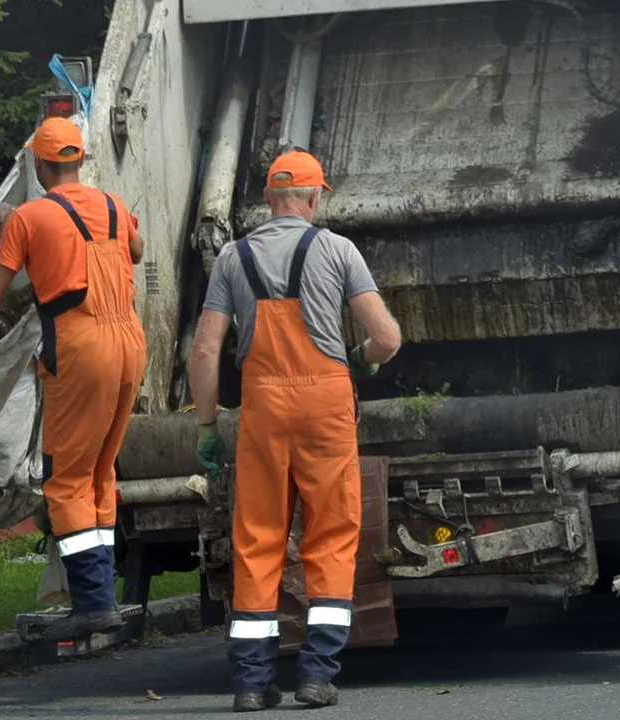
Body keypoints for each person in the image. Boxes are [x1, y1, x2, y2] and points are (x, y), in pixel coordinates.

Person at [188, 150, 402, 713]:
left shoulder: (233, 259)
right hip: (327, 406)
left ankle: (252, 685)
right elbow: (387, 339)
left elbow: (207, 349)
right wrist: (359, 357)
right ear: (313, 198)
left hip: (263, 408)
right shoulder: (337, 250)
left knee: (257, 539)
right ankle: (315, 675)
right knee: (330, 536)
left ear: (267, 198)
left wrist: (208, 426)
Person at [0, 116, 147, 641]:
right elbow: (135, 253)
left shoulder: (29, 218)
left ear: (41, 163)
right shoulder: (116, 207)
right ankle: (102, 597)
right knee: (99, 471)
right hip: (129, 344)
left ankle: (93, 603)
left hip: (80, 346)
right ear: (79, 159)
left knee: (65, 479)